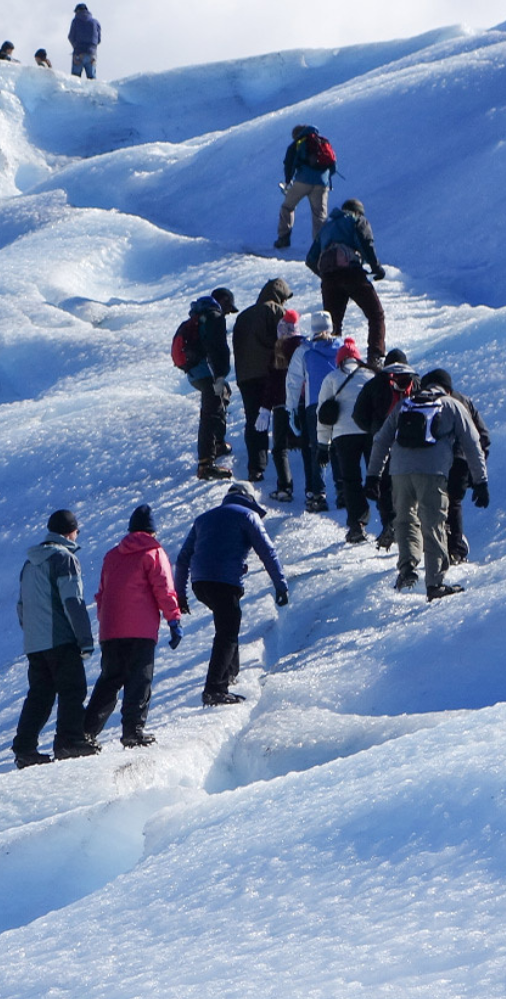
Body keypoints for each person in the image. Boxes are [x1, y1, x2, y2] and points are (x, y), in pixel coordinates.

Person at [367, 378, 489, 600]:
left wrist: (373, 475)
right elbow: (473, 442)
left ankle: (407, 571)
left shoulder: (405, 404)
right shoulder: (452, 405)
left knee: (404, 520)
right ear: (447, 388)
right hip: (433, 473)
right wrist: (480, 481)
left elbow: (381, 439)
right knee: (433, 524)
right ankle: (435, 583)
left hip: (400, 471)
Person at [174, 483, 289, 705]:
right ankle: (215, 689)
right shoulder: (248, 515)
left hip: (200, 584)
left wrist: (180, 594)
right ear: (249, 498)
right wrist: (280, 585)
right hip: (224, 581)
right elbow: (267, 551)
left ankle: (230, 672)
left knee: (228, 623)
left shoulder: (204, 519)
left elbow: (182, 558)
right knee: (227, 631)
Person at [84, 505, 183, 748]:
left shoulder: (112, 555)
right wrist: (174, 619)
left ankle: (85, 732)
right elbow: (164, 589)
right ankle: (133, 731)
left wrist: (105, 622)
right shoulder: (154, 553)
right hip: (140, 629)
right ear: (152, 531)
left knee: (109, 681)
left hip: (111, 629)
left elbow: (102, 594)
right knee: (139, 679)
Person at [11, 511, 97, 767]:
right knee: (73, 689)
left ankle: (24, 748)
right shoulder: (64, 559)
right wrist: (84, 639)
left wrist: (31, 635)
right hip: (60, 639)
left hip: (34, 643)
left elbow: (21, 606)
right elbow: (73, 601)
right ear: (70, 532)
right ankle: (68, 742)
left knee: (40, 695)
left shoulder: (29, 564)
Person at [420, 368, 491, 563]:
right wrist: (477, 471)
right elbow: (483, 436)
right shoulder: (464, 401)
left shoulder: (422, 401)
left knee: (432, 504)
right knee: (454, 503)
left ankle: (436, 547)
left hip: (431, 462)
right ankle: (456, 550)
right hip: (462, 459)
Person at [306, 199, 388, 359]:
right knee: (376, 315)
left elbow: (310, 259)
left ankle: (332, 359)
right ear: (358, 211)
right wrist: (376, 268)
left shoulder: (326, 227)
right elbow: (366, 242)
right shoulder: (357, 220)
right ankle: (375, 357)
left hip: (329, 279)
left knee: (332, 324)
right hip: (352, 274)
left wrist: (325, 275)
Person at [284, 311, 347, 513]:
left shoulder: (304, 350)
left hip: (315, 404)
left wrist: (291, 408)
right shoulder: (342, 348)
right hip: (340, 403)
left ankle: (317, 495)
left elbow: (293, 381)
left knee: (317, 448)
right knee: (338, 447)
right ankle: (343, 490)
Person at [233, 278, 294, 483]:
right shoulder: (276, 311)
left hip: (245, 376)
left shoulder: (243, 316)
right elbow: (287, 342)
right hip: (271, 372)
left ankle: (256, 468)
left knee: (254, 420)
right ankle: (286, 464)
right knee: (278, 413)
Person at [353, 349, 415, 548]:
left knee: (384, 485)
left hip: (381, 441)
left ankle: (390, 523)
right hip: (411, 444)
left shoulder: (374, 383)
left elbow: (358, 415)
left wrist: (373, 430)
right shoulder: (416, 382)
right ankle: (411, 526)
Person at [315, 343, 376, 542]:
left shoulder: (332, 378)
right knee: (378, 475)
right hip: (370, 432)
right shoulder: (371, 376)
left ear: (339, 360)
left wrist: (323, 445)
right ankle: (390, 523)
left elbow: (323, 414)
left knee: (350, 480)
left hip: (344, 435)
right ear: (358, 358)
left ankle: (357, 525)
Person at [181, 288, 239, 480]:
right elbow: (217, 348)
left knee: (221, 398)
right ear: (222, 300)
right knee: (210, 413)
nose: (228, 313)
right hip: (208, 372)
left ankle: (218, 444)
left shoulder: (198, 316)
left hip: (195, 372)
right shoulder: (214, 316)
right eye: (229, 307)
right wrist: (220, 375)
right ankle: (206, 464)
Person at [261, 308, 304, 502]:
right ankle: (316, 489)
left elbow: (271, 384)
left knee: (280, 448)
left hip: (280, 404)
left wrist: (265, 408)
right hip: (302, 403)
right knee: (308, 446)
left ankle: (285, 487)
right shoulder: (305, 348)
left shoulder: (278, 350)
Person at [275, 125, 336, 249]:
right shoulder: (323, 142)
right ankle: (320, 247)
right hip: (322, 184)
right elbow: (333, 164)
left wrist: (288, 181)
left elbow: (289, 164)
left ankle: (283, 238)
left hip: (302, 182)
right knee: (319, 215)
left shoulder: (297, 144)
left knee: (287, 207)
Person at [68, 4, 100, 78]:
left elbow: (71, 36)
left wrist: (75, 46)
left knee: (75, 79)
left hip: (78, 54)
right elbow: (98, 39)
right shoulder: (95, 22)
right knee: (92, 80)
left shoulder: (75, 21)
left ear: (78, 11)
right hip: (92, 54)